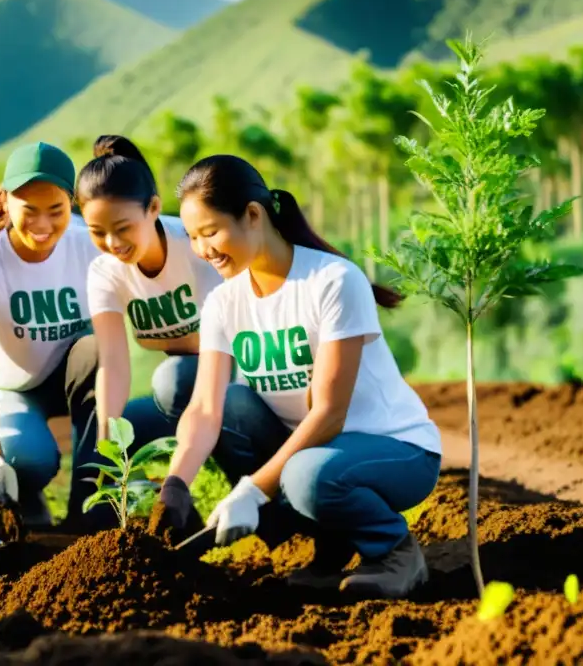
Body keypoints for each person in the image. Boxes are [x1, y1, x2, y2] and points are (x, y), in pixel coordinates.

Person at [153, 155, 441, 599]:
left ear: (253, 215)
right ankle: (333, 542)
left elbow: (329, 415)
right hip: (317, 453)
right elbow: (205, 407)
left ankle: (395, 551)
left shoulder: (331, 280)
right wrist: (175, 485)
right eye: (192, 237)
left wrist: (253, 490)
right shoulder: (223, 302)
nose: (202, 249)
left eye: (210, 232)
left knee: (306, 475)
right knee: (233, 407)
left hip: (395, 448)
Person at [0, 141, 170, 530]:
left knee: (96, 345)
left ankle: (91, 503)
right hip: (17, 389)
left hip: (79, 374)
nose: (43, 226)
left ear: (73, 203)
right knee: (23, 460)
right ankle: (27, 496)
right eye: (29, 211)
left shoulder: (91, 243)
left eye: (56, 211)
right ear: (7, 201)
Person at [76, 134, 219, 444]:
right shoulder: (105, 272)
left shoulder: (195, 246)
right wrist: (107, 439)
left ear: (153, 207)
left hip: (239, 375)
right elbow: (113, 362)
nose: (112, 243)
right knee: (101, 429)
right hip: (187, 388)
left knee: (173, 379)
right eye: (98, 232)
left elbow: (221, 342)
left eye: (123, 228)